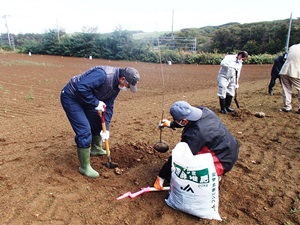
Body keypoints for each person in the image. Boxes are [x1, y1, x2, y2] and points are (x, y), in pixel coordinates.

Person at [60, 66, 140, 178]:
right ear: (122, 79)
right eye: (128, 85)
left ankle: (96, 148)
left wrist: (106, 128)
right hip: (72, 97)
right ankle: (84, 167)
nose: (127, 88)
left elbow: (109, 106)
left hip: (86, 98)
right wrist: (95, 102)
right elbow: (81, 87)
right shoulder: (102, 75)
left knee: (98, 121)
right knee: (84, 130)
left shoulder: (116, 86)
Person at [154, 101, 239, 190]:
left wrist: (162, 176)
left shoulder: (195, 135)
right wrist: (171, 124)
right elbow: (188, 121)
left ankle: (213, 176)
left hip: (223, 160)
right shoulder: (203, 111)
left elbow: (179, 156)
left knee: (188, 167)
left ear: (183, 121)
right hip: (231, 147)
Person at [279, 43, 300, 113]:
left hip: (284, 70)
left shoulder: (293, 47)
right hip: (295, 71)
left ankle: (287, 107)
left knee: (286, 89)